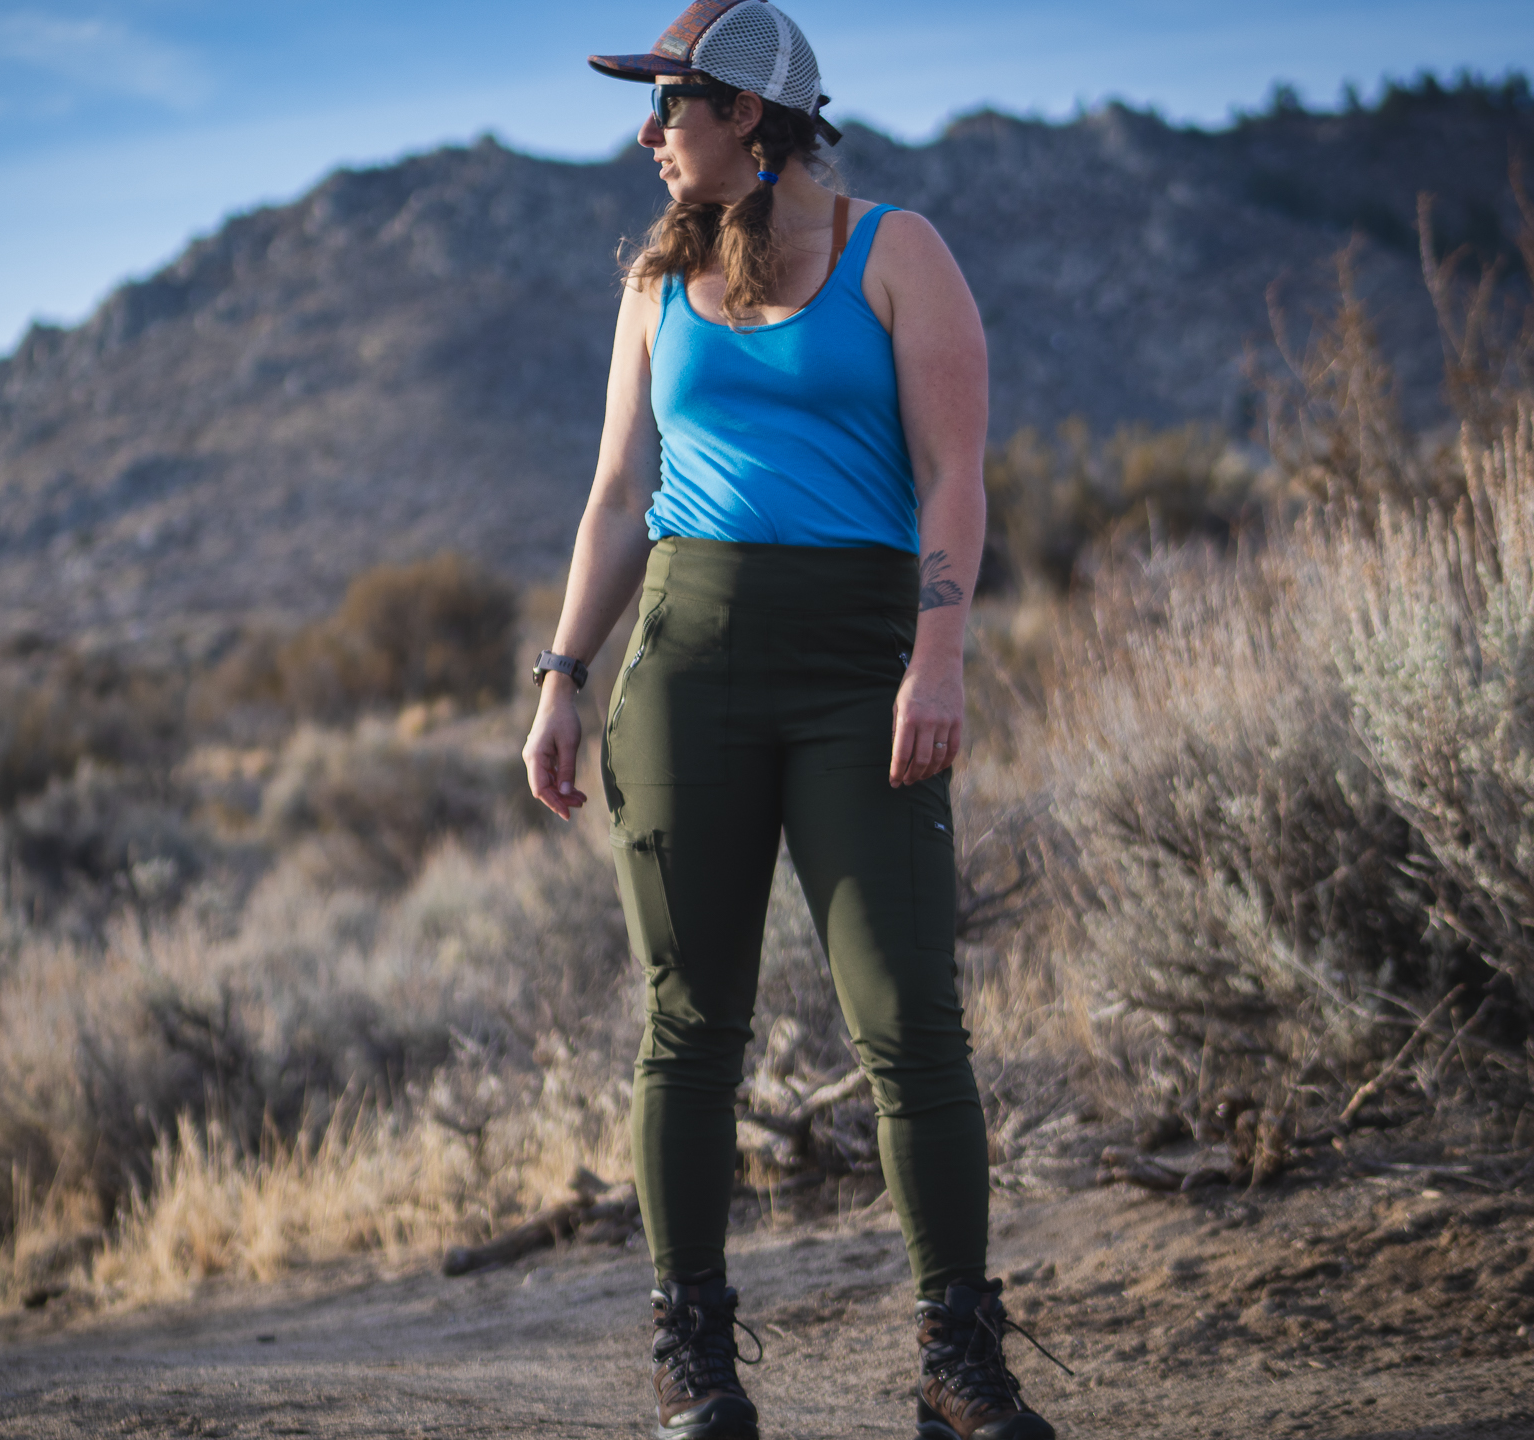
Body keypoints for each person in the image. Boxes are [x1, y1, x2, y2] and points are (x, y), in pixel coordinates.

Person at [521, 4, 1055, 1437]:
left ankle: (958, 1363)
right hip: (686, 670)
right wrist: (564, 675)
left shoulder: (899, 253)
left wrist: (936, 662)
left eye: (669, 108)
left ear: (747, 114)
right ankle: (695, 1364)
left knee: (911, 1022)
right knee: (690, 1025)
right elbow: (619, 497)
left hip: (859, 675)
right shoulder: (654, 285)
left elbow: (954, 477)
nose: (648, 137)